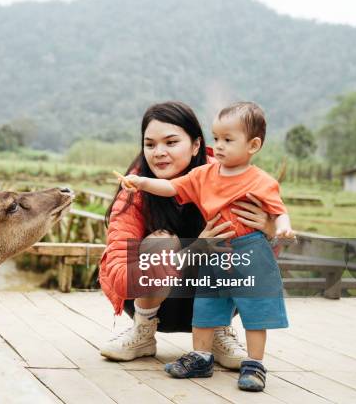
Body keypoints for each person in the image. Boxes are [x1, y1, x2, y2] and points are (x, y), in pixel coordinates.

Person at [121, 102, 292, 392]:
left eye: (228, 140)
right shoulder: (204, 176)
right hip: (215, 251)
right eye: (216, 139)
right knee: (207, 305)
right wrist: (142, 182)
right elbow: (173, 187)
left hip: (249, 248)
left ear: (253, 145)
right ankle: (200, 357)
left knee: (253, 307)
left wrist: (281, 227)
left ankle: (254, 364)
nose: (219, 146)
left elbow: (278, 212)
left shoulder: (261, 180)